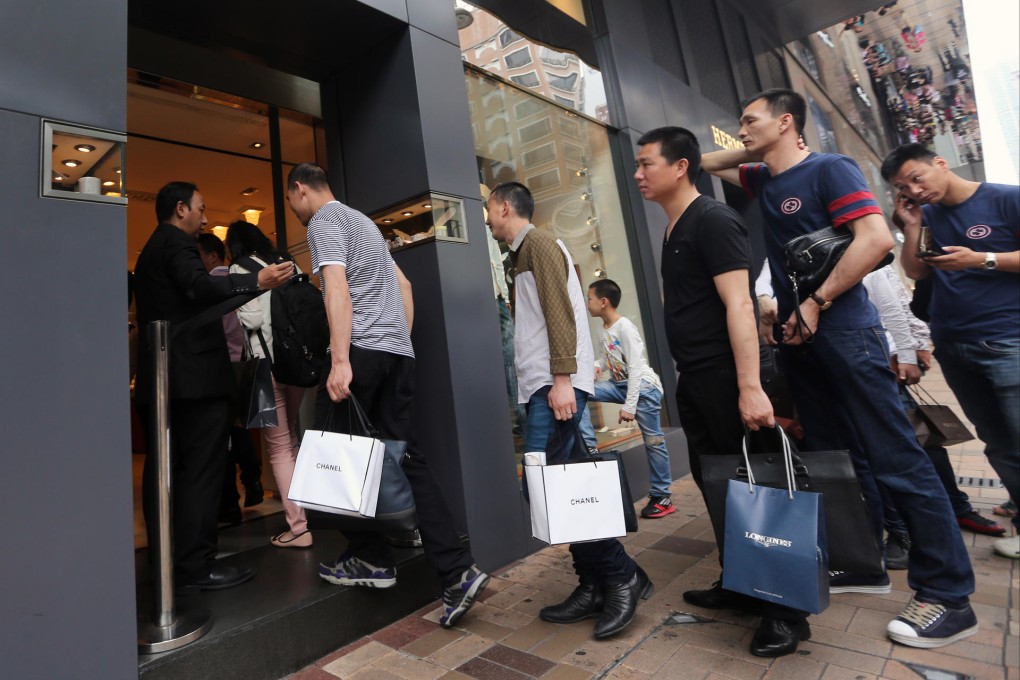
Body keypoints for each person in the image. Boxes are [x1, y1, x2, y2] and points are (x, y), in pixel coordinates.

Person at [701, 89, 977, 649]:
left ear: (787, 121)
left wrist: (816, 301)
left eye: (750, 120)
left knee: (896, 457)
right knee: (833, 462)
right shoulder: (764, 178)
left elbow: (874, 239)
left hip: (846, 333)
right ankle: (860, 562)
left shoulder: (831, 168)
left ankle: (948, 595)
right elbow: (705, 161)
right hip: (802, 344)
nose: (740, 129)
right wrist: (757, 146)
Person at [285, 163, 488, 628]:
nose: (295, 209)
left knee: (334, 455)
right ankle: (457, 571)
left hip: (360, 353)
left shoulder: (323, 222)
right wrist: (396, 340)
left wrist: (341, 359)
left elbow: (336, 289)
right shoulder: (362, 222)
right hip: (397, 354)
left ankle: (370, 557)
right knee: (406, 458)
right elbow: (404, 285)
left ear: (299, 189)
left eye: (292, 200)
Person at [634, 126, 809, 658]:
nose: (638, 174)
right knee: (719, 486)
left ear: (680, 167)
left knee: (758, 488)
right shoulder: (674, 226)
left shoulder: (712, 219)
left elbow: (740, 305)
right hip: (696, 378)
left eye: (646, 163)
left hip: (728, 376)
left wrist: (750, 387)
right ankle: (742, 581)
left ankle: (785, 612)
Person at [486, 181, 651, 640]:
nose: (487, 217)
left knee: (547, 489)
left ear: (504, 207)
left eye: (489, 208)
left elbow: (560, 313)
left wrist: (562, 380)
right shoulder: (524, 252)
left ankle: (620, 576)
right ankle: (596, 583)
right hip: (545, 386)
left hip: (552, 386)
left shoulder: (538, 243)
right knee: (563, 487)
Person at [134, 181, 293, 594]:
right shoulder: (175, 243)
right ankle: (196, 566)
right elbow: (199, 287)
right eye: (201, 209)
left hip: (168, 381)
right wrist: (257, 279)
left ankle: (170, 562)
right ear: (181, 208)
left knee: (170, 475)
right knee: (201, 475)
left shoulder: (152, 249)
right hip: (195, 383)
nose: (206, 220)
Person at [882, 142, 1019, 560]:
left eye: (916, 178)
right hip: (955, 345)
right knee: (997, 442)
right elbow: (915, 270)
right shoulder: (928, 215)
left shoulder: (1005, 199)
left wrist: (983, 259)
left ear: (940, 163)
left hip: (1009, 341)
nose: (914, 190)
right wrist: (911, 225)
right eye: (903, 187)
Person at [861, 265, 1006, 570]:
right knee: (906, 441)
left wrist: (911, 350)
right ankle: (939, 512)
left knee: (918, 439)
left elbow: (896, 304)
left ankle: (949, 510)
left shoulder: (867, 255)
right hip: (850, 361)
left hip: (883, 361)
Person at [225, 221, 314, 549]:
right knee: (291, 439)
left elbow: (252, 320)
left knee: (278, 448)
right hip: (299, 363)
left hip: (268, 364)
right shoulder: (287, 260)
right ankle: (305, 513)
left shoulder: (239, 268)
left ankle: (299, 528)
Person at [581, 278, 675, 519]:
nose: (587, 303)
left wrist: (630, 406)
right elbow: (609, 359)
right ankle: (589, 445)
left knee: (653, 441)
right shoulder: (604, 328)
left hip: (643, 388)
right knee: (579, 389)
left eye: (589, 299)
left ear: (603, 302)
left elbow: (634, 368)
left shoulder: (625, 327)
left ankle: (662, 495)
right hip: (619, 385)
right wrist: (597, 365)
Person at [195, 233, 264, 524]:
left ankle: (229, 502)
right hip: (244, 366)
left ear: (212, 256)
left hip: (221, 369)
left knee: (221, 437)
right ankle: (252, 480)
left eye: (199, 254)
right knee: (239, 429)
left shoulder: (214, 285)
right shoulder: (239, 280)